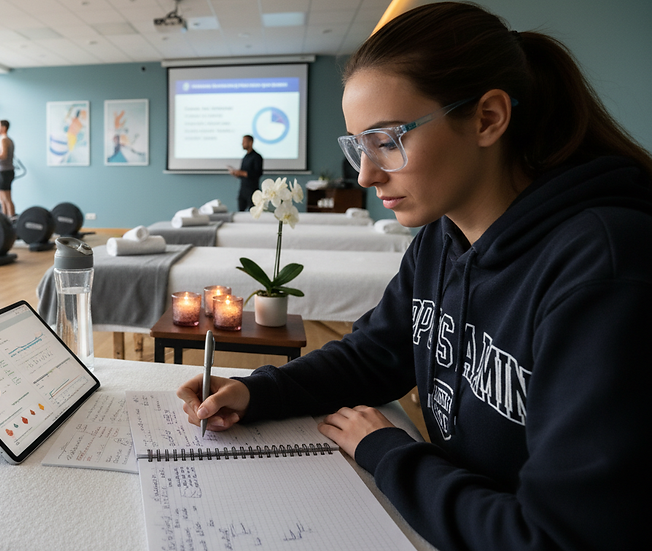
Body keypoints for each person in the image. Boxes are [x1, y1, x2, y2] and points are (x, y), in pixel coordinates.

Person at [177, 3, 651, 550]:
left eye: (387, 141)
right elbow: (375, 354)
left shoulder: (604, 268)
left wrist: (387, 450)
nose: (366, 175)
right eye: (359, 145)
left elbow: (555, 538)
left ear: (487, 118)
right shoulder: (442, 235)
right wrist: (256, 392)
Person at [228, 135, 262, 211]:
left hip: (252, 190)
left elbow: (258, 173)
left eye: (244, 142)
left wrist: (242, 173)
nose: (242, 144)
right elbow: (243, 172)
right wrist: (236, 173)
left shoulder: (257, 157)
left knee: (253, 211)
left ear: (250, 143)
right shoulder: (245, 157)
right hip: (243, 190)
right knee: (240, 211)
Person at [0, 119, 16, 218]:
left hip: (4, 171)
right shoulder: (7, 140)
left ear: (4, 128)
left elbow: (3, 155)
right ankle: (5, 219)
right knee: (2, 199)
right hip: (4, 171)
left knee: (6, 198)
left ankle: (11, 219)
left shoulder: (4, 140)